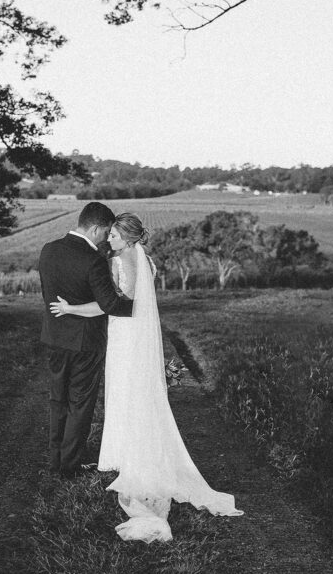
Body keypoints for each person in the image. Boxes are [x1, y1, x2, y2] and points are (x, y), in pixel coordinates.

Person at [49, 213, 243, 542]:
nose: (108, 240)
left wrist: (70, 309)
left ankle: (125, 455)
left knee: (123, 391)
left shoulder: (116, 263)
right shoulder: (148, 262)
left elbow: (106, 306)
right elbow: (138, 304)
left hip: (124, 337)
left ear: (127, 238)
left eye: (113, 235)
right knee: (139, 392)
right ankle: (136, 450)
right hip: (141, 337)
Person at [38, 202, 134, 479]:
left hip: (54, 337)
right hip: (86, 343)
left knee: (58, 400)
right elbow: (110, 304)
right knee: (80, 404)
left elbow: (47, 292)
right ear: (95, 229)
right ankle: (69, 468)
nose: (106, 238)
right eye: (105, 232)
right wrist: (140, 307)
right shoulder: (93, 260)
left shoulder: (48, 250)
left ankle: (55, 462)